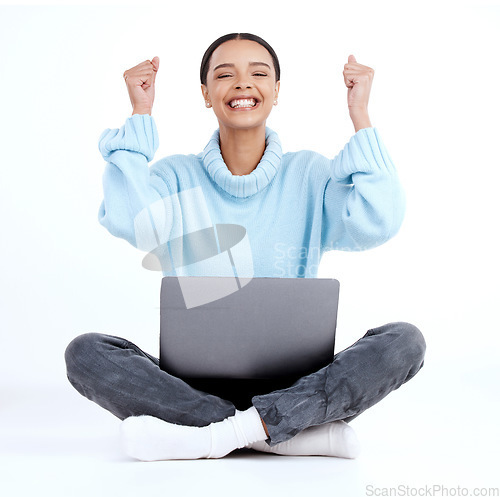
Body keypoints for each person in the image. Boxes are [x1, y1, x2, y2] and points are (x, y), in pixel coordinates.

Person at [64, 33, 426, 461]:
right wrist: (140, 114)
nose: (242, 84)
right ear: (205, 94)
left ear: (276, 92)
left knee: (405, 341)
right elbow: (128, 218)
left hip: (296, 383)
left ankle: (217, 435)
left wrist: (360, 116)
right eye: (224, 75)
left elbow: (379, 221)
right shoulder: (176, 177)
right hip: (191, 386)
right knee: (86, 353)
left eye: (258, 73)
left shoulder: (309, 174)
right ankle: (279, 431)